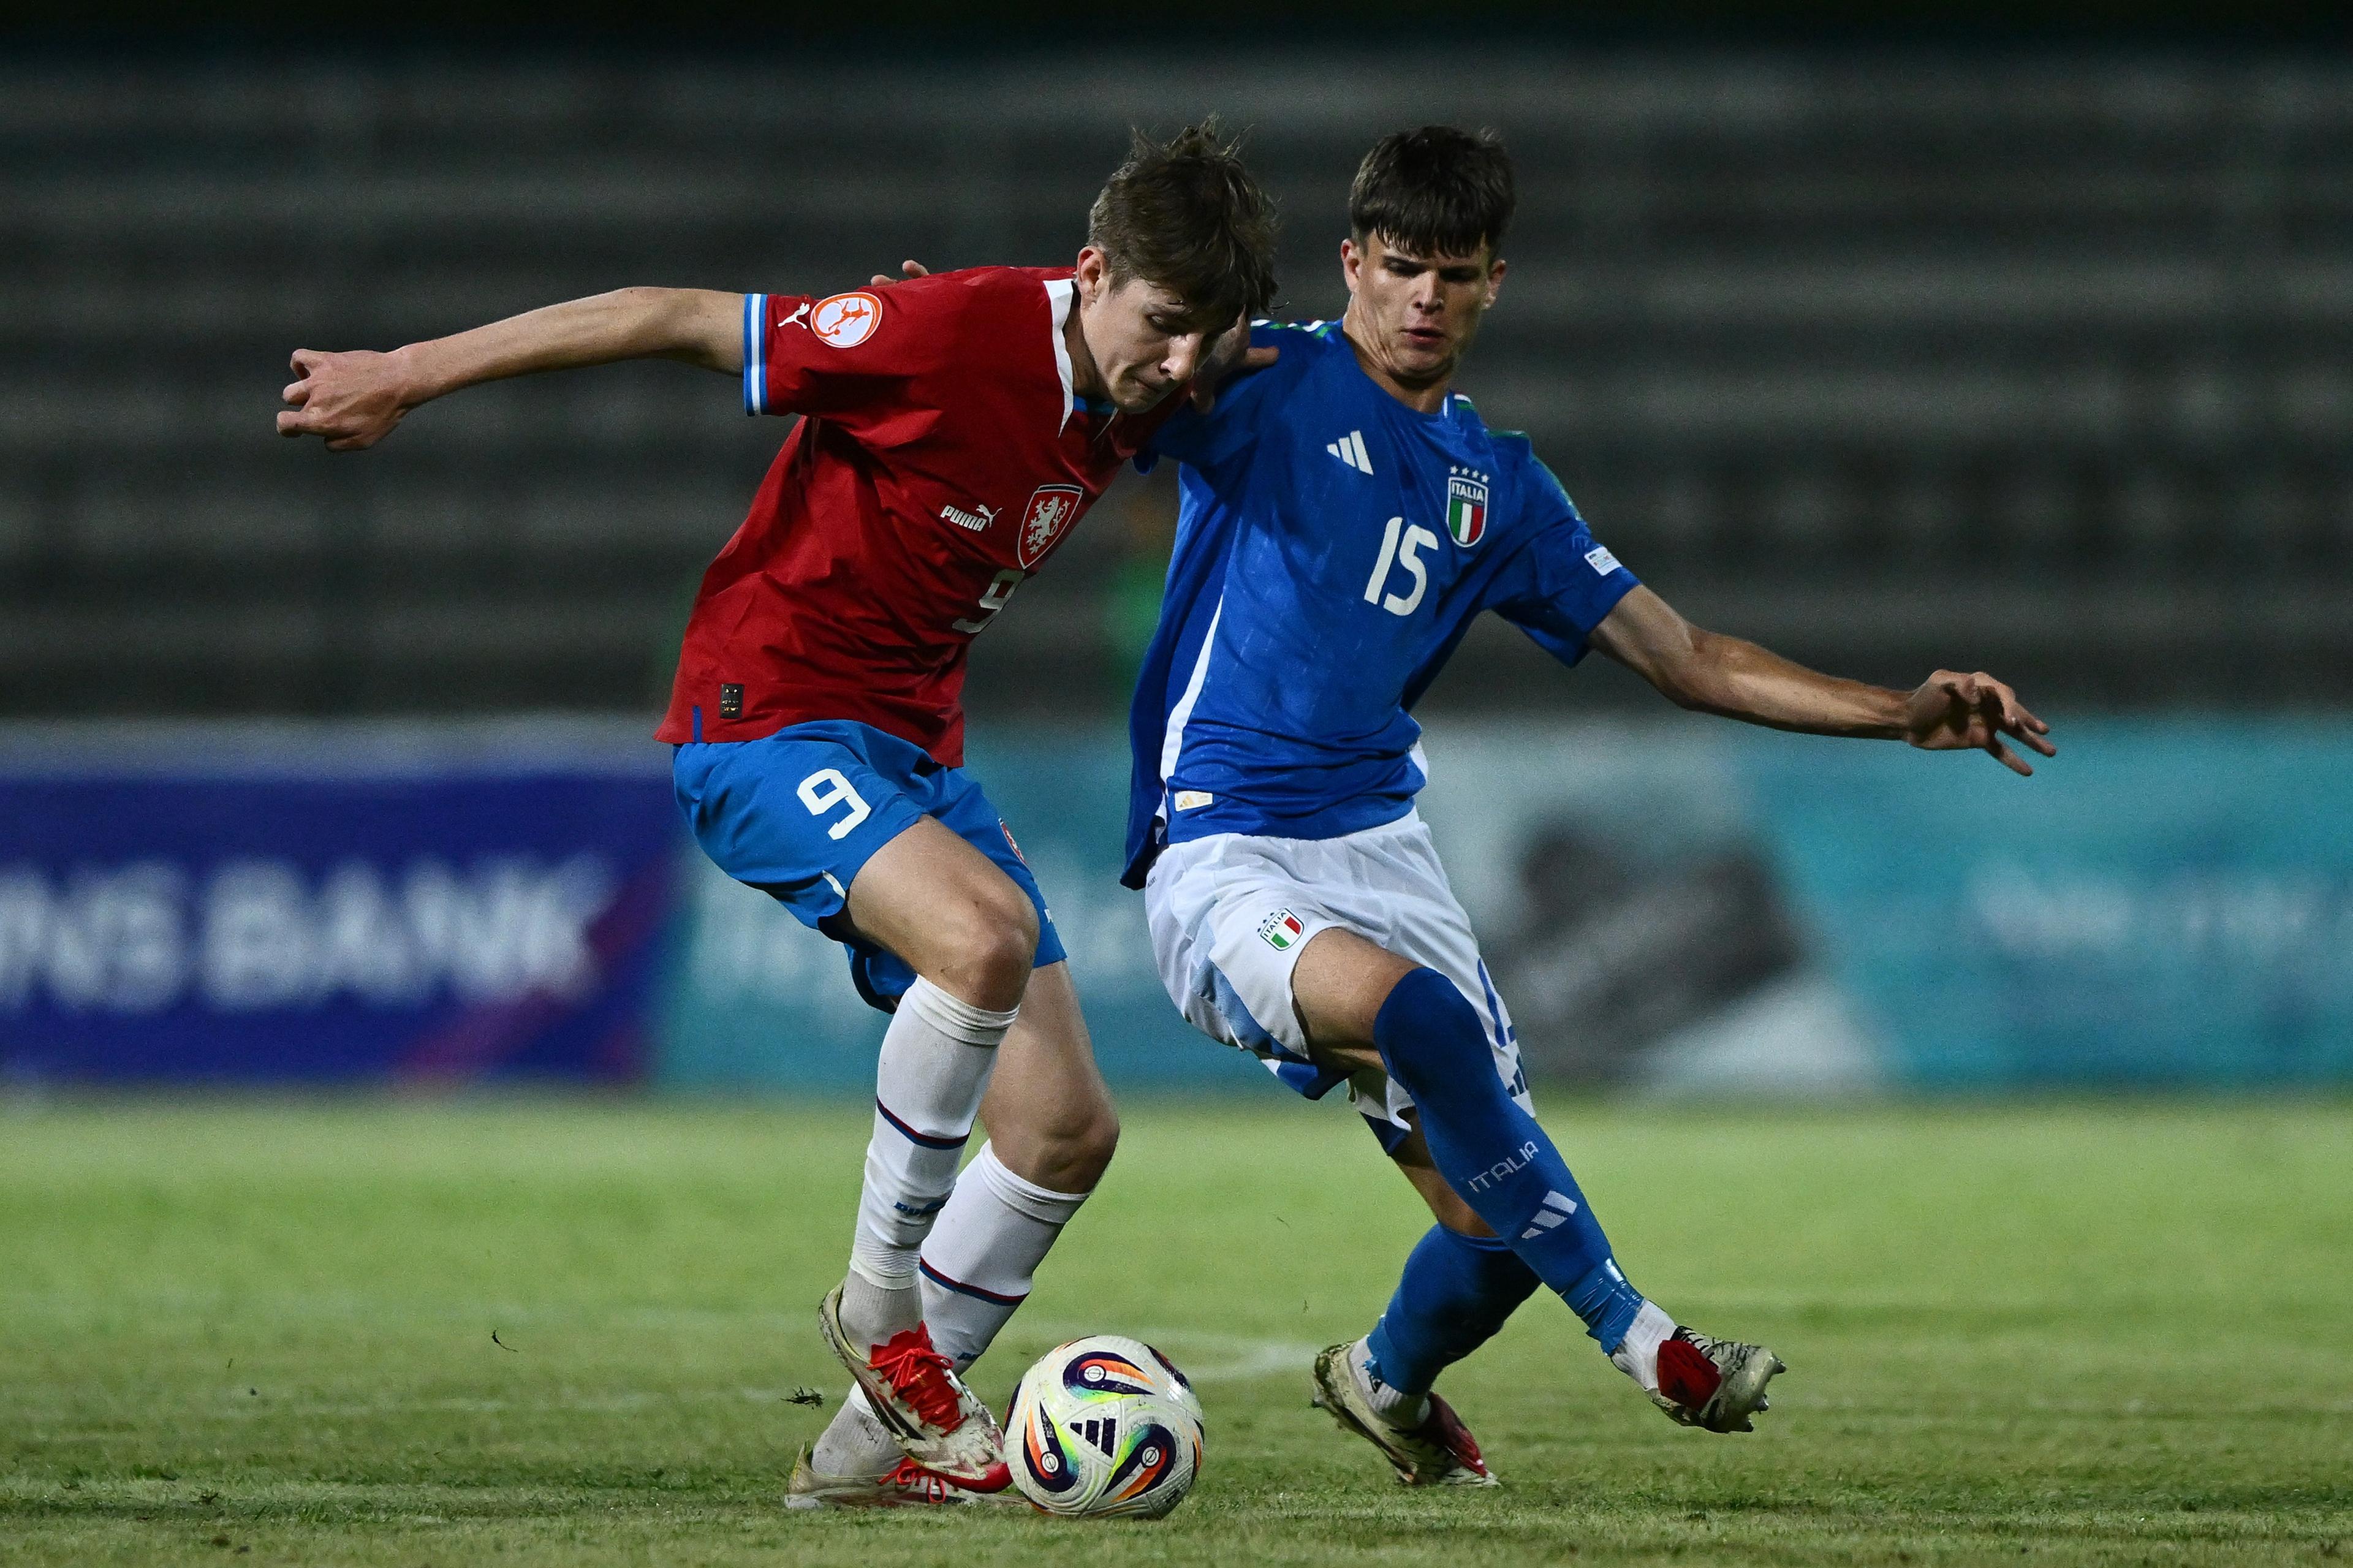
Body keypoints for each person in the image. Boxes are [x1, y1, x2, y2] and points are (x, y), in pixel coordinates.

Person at [276, 125, 1279, 1508]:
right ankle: (882, 1320)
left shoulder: (1157, 369)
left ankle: (860, 1467)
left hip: (913, 751)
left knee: (1063, 1127)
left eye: (1202, 340)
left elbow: (1269, 362)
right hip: (767, 717)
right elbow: (671, 316)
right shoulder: (948, 329)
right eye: (1162, 328)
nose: (1177, 365)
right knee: (979, 942)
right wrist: (407, 371)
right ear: (1093, 271)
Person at [1123, 126, 2055, 1486]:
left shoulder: (1498, 487)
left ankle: (1384, 1376)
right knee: (1424, 1021)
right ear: (1352, 263)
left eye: (1455, 273)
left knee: (1498, 1223)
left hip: (1381, 852)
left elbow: (1687, 656)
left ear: (1498, 280)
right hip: (1224, 847)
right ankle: (1645, 1337)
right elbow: (1098, 374)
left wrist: (1896, 713)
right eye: (1400, 268)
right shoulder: (1271, 373)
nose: (1424, 298)